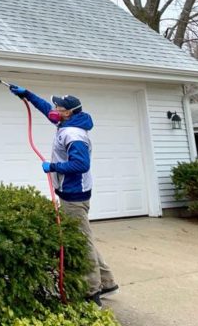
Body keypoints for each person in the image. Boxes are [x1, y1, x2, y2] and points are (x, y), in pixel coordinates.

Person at [9, 85, 118, 306]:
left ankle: (91, 291)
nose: (55, 109)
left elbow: (80, 164)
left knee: (81, 240)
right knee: (82, 236)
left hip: (74, 195)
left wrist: (53, 166)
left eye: (59, 107)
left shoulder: (72, 133)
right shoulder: (68, 122)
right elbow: (46, 109)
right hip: (72, 191)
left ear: (68, 112)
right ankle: (106, 281)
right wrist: (27, 95)